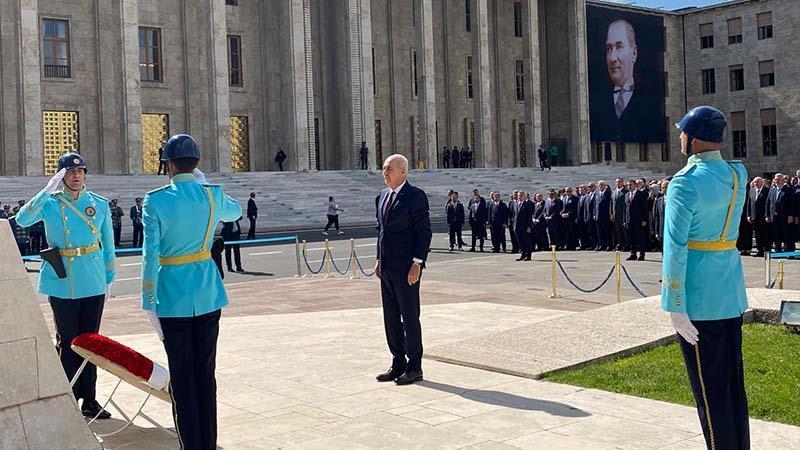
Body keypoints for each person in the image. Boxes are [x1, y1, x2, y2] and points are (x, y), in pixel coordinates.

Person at [140, 134, 242, 449]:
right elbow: (235, 212)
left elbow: (150, 254)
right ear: (196, 164)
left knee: (182, 379)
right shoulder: (211, 195)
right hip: (208, 293)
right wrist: (207, 186)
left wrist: (148, 300)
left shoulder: (156, 200)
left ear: (168, 164)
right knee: (205, 374)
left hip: (172, 297)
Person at [662, 106, 749, 449]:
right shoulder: (737, 175)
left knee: (710, 395)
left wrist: (674, 303)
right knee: (731, 389)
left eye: (683, 131)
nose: (680, 137)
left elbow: (675, 246)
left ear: (695, 138)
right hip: (730, 294)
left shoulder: (685, 183)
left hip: (698, 301)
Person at [15, 152, 116, 419]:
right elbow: (23, 220)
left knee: (92, 343)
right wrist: (45, 191)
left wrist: (108, 279)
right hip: (63, 283)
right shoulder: (50, 203)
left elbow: (108, 247)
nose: (76, 175)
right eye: (70, 172)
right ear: (61, 176)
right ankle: (69, 396)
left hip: (93, 281)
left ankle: (90, 400)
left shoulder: (100, 204)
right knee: (68, 342)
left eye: (80, 171)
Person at [374, 154, 432, 386]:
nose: (385, 173)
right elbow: (381, 231)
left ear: (403, 172)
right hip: (387, 267)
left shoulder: (415, 196)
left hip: (407, 267)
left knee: (409, 317)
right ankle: (397, 362)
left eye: (389, 169)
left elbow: (424, 232)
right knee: (390, 318)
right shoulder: (381, 197)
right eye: (384, 169)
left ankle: (414, 366)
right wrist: (379, 259)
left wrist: (417, 263)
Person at [592, 19, 661, 143]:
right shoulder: (596, 101)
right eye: (609, 49)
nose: (612, 58)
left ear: (634, 53)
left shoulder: (651, 100)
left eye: (619, 47)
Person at [766, 173, 794, 253]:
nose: (776, 181)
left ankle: (789, 252)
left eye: (778, 179)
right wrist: (767, 215)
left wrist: (791, 215)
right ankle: (778, 251)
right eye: (775, 179)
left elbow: (792, 204)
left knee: (787, 235)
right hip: (774, 216)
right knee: (776, 234)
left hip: (785, 216)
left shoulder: (788, 190)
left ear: (783, 180)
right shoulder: (772, 190)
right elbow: (768, 203)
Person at [626, 178, 649, 260]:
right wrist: (625, 220)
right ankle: (633, 253)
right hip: (630, 220)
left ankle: (642, 254)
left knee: (640, 237)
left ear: (635, 185)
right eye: (628, 185)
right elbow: (626, 209)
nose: (629, 187)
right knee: (631, 238)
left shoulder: (641, 194)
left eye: (630, 185)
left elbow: (644, 208)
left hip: (639, 220)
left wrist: (644, 220)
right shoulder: (627, 195)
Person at [748, 176, 770, 257]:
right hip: (754, 217)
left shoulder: (767, 191)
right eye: (754, 182)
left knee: (765, 234)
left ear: (762, 183)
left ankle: (767, 249)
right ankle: (760, 250)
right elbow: (749, 204)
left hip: (763, 217)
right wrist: (749, 215)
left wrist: (767, 215)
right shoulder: (752, 191)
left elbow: (768, 204)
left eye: (757, 182)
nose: (756, 183)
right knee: (757, 235)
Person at [515, 191, 535, 260]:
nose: (519, 197)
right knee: (520, 241)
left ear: (524, 196)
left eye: (521, 195)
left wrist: (529, 226)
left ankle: (528, 255)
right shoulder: (515, 204)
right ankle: (523, 254)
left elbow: (529, 216)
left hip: (525, 226)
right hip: (517, 226)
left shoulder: (527, 204)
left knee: (527, 241)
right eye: (518, 195)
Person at [611, 178, 628, 251]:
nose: (618, 183)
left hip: (623, 215)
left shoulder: (625, 192)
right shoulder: (613, 192)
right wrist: (611, 213)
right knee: (618, 232)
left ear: (622, 183)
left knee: (625, 232)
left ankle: (627, 245)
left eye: (619, 182)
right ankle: (620, 244)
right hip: (616, 216)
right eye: (616, 182)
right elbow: (611, 204)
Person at [594, 181, 612, 251]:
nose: (600, 186)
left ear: (605, 186)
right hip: (598, 216)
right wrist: (595, 214)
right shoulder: (597, 193)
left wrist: (610, 214)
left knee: (607, 231)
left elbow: (610, 204)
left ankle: (609, 245)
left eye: (602, 185)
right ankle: (602, 245)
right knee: (600, 232)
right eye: (599, 185)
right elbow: (595, 206)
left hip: (606, 215)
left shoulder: (609, 193)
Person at [737, 181, 753, 256]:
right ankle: (741, 248)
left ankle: (747, 248)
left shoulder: (748, 192)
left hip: (746, 215)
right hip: (739, 214)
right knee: (740, 233)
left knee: (747, 233)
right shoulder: (738, 192)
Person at [653, 179, 669, 251]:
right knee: (663, 248)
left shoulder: (674, 199)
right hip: (662, 229)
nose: (664, 189)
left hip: (672, 229)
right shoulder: (659, 200)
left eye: (666, 187)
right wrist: (656, 232)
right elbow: (657, 217)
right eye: (663, 187)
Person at [561, 186, 579, 251]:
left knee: (572, 232)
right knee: (566, 232)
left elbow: (575, 209)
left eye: (569, 191)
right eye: (567, 191)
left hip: (572, 218)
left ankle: (573, 246)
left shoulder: (575, 199)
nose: (568, 192)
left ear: (572, 191)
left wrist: (568, 214)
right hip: (565, 219)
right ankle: (568, 245)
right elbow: (563, 208)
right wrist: (562, 214)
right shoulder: (564, 198)